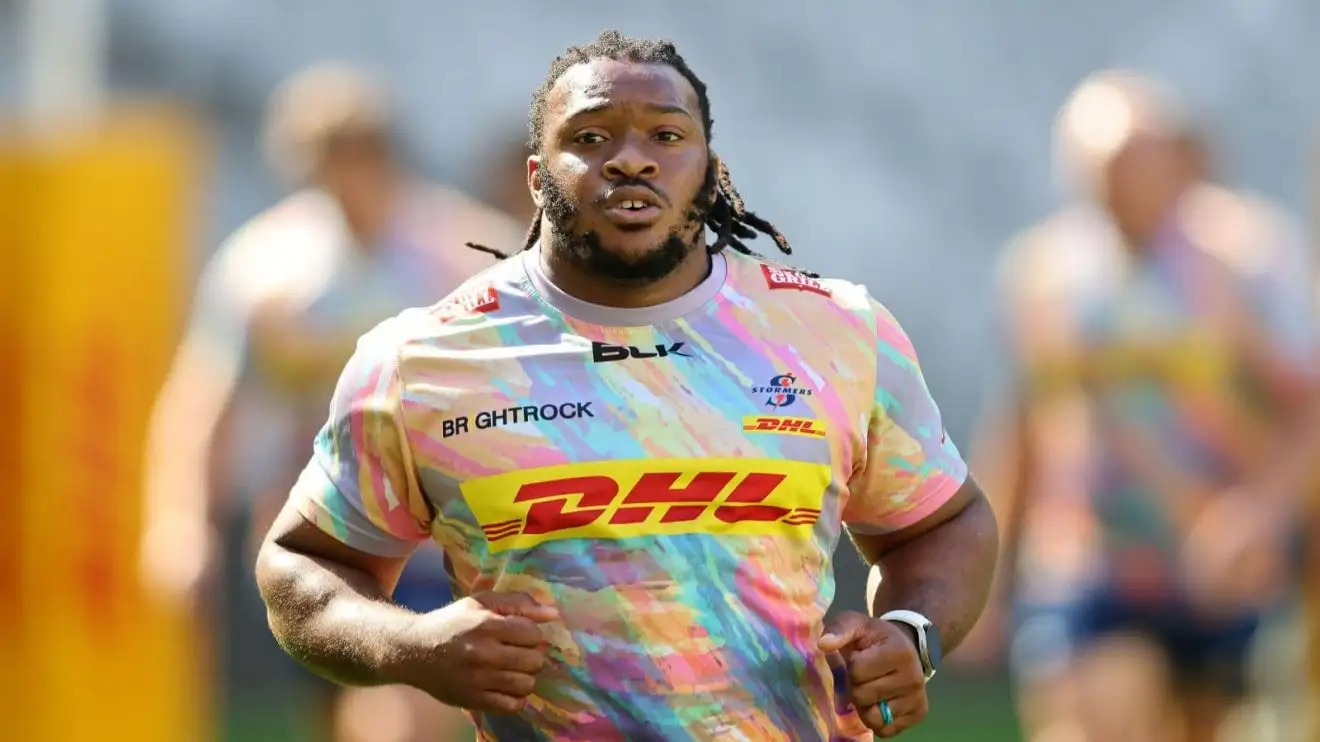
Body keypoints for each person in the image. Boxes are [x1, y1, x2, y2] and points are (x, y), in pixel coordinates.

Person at [254, 30, 999, 741]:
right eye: (590, 137)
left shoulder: (840, 332)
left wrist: (911, 631)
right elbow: (301, 565)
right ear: (536, 177)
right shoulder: (424, 359)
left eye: (667, 137)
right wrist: (411, 646)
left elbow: (943, 522)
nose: (631, 160)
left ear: (710, 170)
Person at [140, 62, 517, 742]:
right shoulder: (268, 268)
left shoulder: (462, 251)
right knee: (338, 705)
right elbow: (206, 400)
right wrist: (180, 522)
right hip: (319, 527)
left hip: (433, 529)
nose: (347, 180)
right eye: (326, 163)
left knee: (398, 711)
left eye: (360, 156)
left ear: (387, 156)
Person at [966, 71, 1320, 742]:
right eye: (1094, 165)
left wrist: (1261, 513)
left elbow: (1310, 408)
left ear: (1181, 160)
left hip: (1221, 571)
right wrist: (985, 570)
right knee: (1095, 716)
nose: (1113, 182)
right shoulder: (1044, 274)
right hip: (1089, 564)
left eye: (1132, 161)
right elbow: (1023, 425)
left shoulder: (1246, 260)